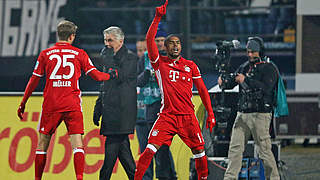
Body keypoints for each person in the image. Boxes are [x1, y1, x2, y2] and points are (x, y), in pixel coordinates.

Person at [16, 20, 117, 180]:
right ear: (72, 36)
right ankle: (79, 177)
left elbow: (33, 80)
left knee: (43, 143)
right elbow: (96, 75)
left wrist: (23, 103)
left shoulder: (45, 54)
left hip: (51, 104)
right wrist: (111, 76)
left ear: (59, 35)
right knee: (77, 143)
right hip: (72, 104)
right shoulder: (80, 54)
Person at [134, 1, 216, 180]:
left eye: (177, 43)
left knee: (200, 153)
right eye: (171, 43)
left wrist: (210, 113)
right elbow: (149, 41)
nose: (175, 46)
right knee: (149, 149)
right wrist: (156, 18)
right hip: (167, 116)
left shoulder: (190, 66)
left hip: (188, 117)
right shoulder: (159, 64)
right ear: (166, 47)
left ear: (181, 46)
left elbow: (202, 89)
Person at [218, 36, 280, 180]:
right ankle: (230, 178)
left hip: (261, 114)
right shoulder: (245, 66)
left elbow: (266, 88)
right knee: (235, 149)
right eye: (248, 52)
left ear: (260, 51)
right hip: (242, 114)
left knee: (264, 151)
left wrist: (246, 80)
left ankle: (274, 178)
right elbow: (233, 81)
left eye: (253, 52)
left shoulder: (269, 68)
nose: (250, 55)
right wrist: (223, 81)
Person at [93, 26, 138, 180]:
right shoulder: (108, 56)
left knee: (110, 158)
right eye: (105, 40)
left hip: (122, 113)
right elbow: (104, 85)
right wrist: (98, 108)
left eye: (110, 40)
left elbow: (119, 76)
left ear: (121, 40)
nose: (107, 44)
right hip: (110, 112)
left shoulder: (130, 58)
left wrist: (108, 58)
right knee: (124, 155)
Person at [136, 27, 177, 180]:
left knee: (162, 147)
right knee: (149, 147)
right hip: (150, 108)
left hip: (166, 108)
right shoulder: (145, 58)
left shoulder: (173, 57)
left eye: (162, 40)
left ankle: (167, 176)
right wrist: (148, 72)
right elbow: (138, 82)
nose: (160, 43)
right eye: (157, 40)